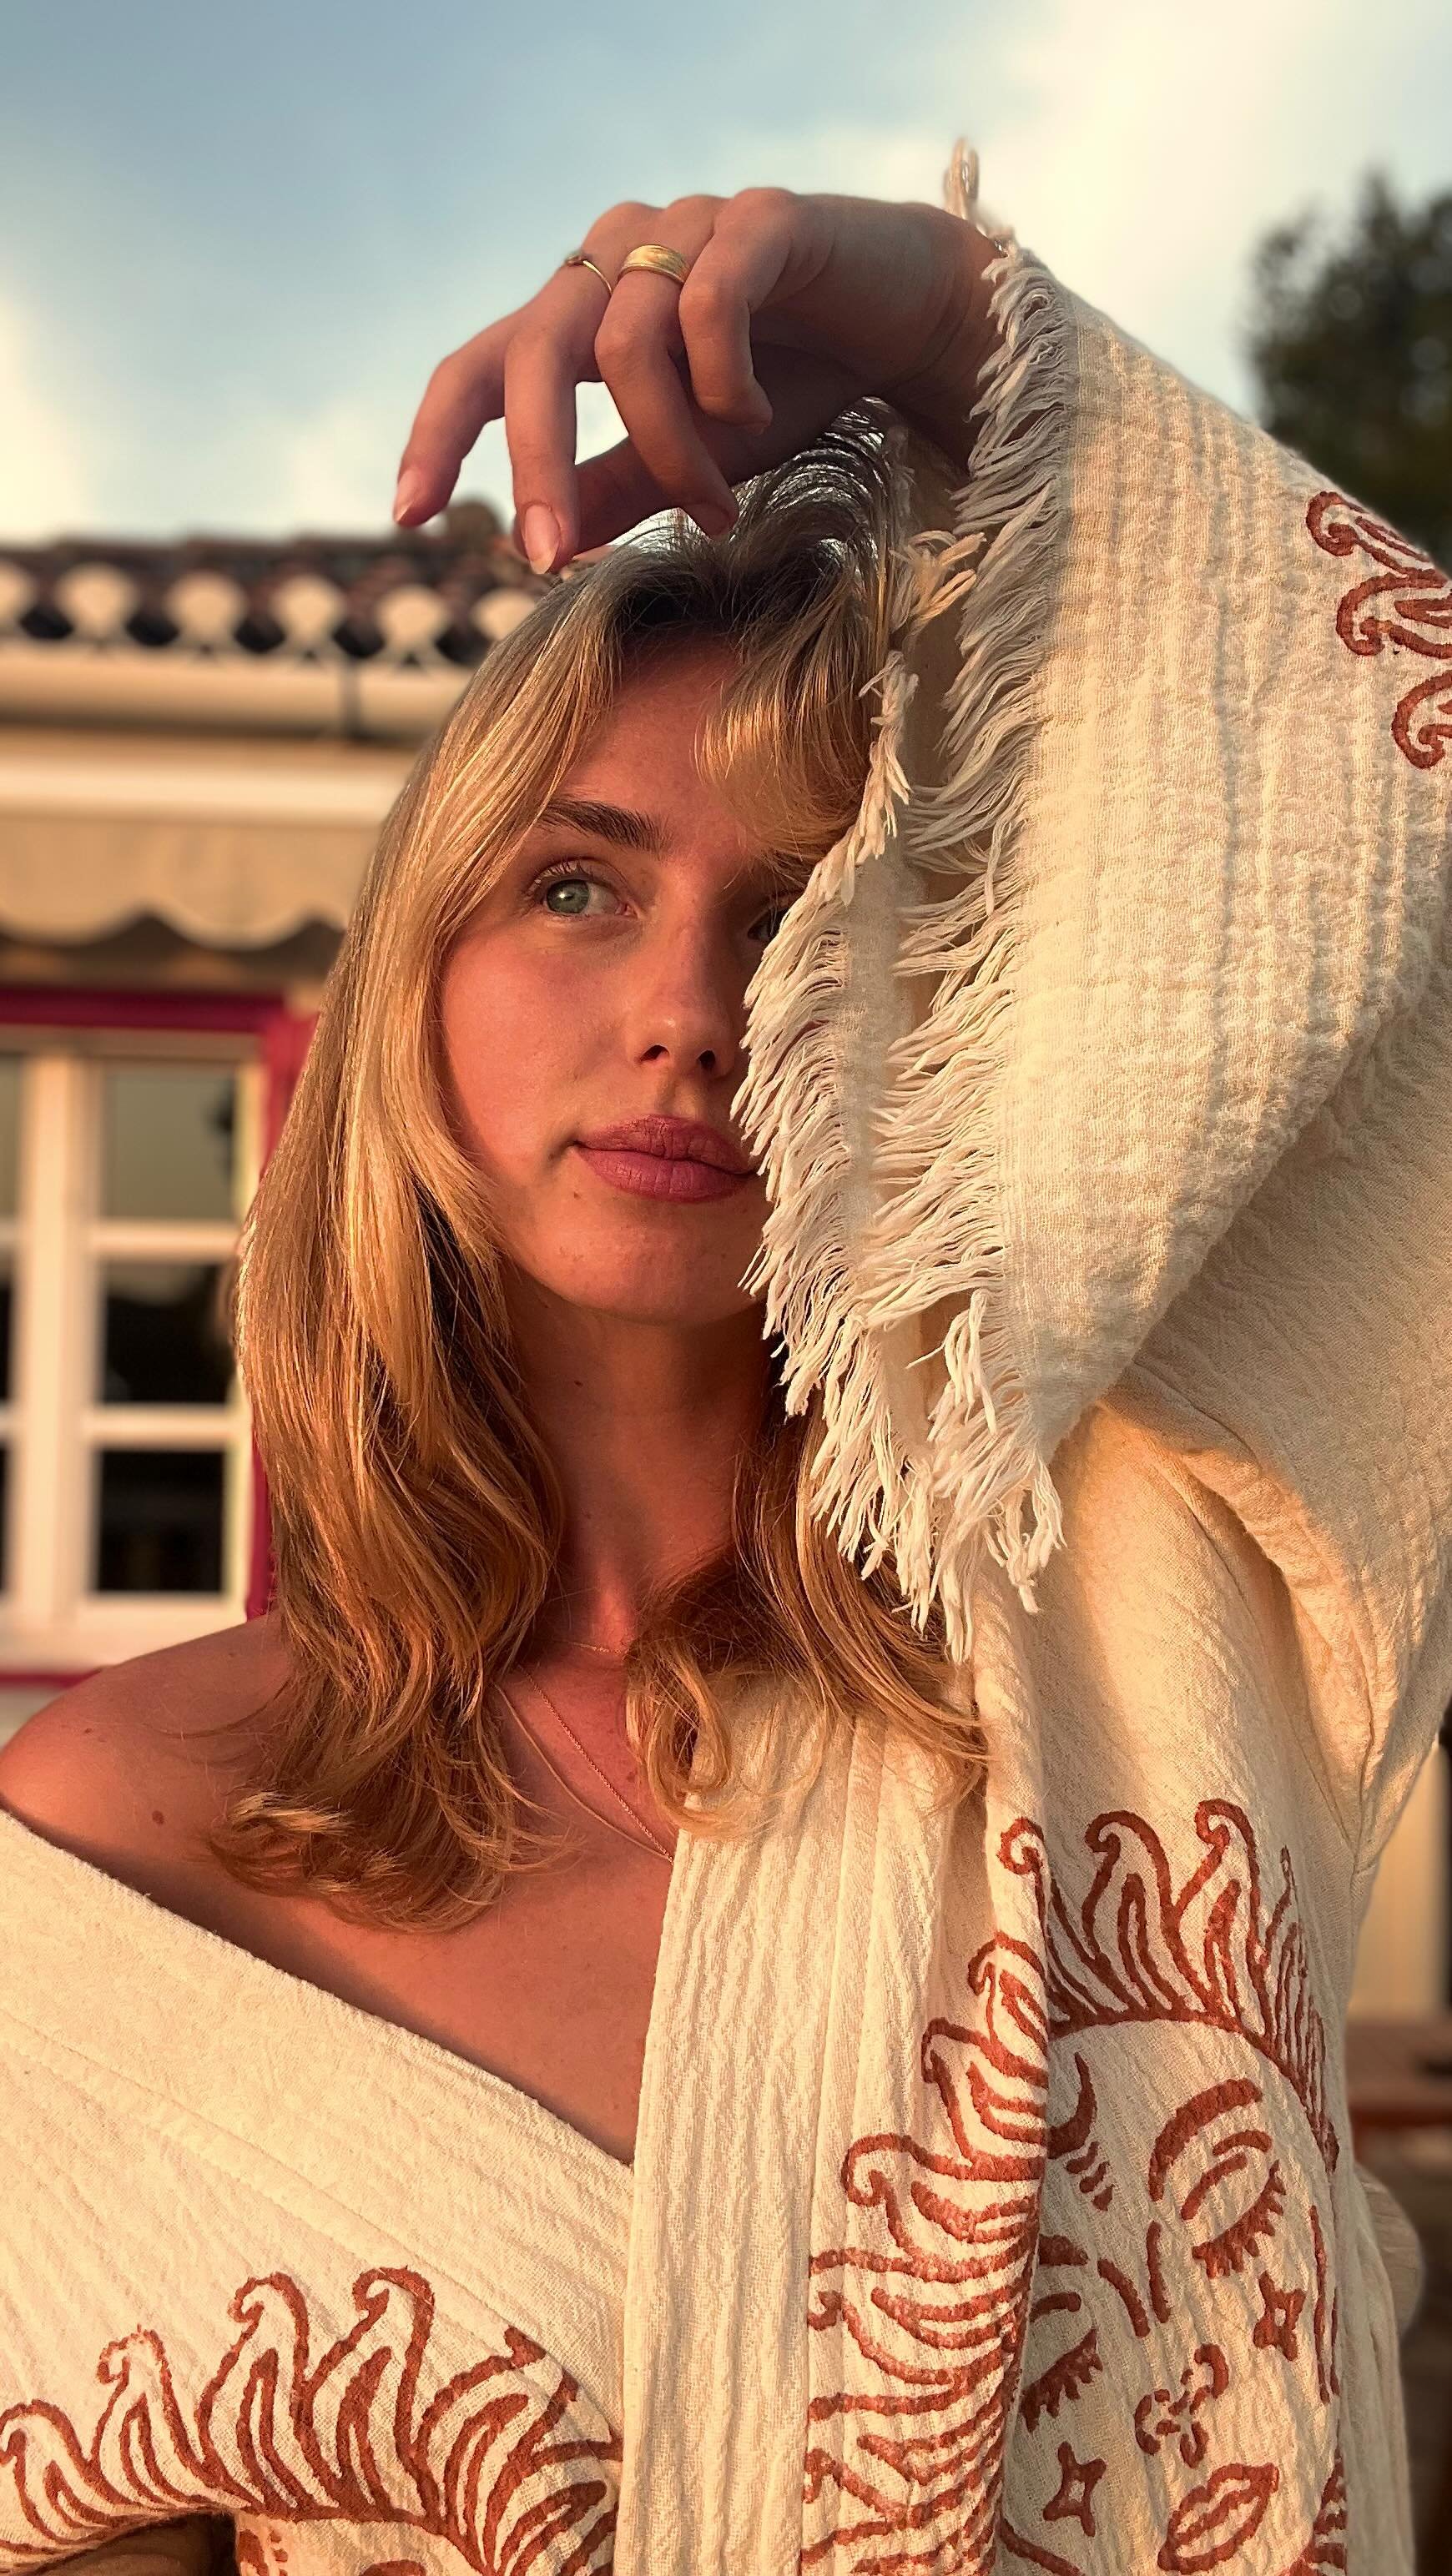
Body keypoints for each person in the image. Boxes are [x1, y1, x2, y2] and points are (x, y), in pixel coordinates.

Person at [1, 140, 1449, 2576]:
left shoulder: (1141, 1633)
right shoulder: (121, 1839)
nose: (692, 1011)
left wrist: (944, 327)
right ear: (412, 994)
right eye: (575, 886)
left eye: (800, 911)